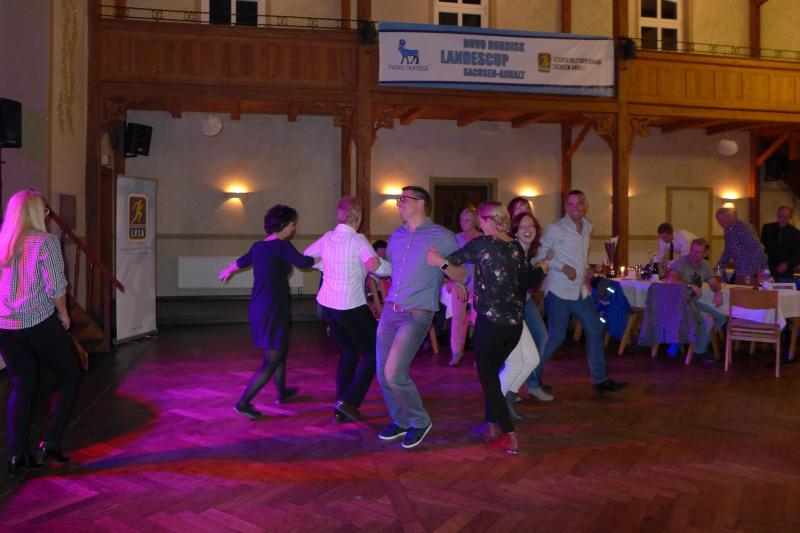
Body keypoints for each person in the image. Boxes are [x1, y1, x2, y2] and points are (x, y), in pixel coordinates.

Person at [428, 201, 531, 454]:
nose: (479, 224)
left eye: (482, 220)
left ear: (491, 220)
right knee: (492, 375)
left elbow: (452, 261)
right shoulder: (516, 247)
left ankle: (509, 434)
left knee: (489, 379)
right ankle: (490, 426)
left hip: (490, 325)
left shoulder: (482, 244)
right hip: (514, 326)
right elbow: (524, 283)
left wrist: (438, 261)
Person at [0, 190, 83, 478]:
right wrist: (64, 314)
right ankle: (51, 443)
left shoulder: (3, 241)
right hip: (37, 321)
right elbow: (56, 286)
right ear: (38, 212)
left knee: (22, 384)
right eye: (45, 210)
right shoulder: (45, 241)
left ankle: (17, 456)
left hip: (5, 326)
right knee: (71, 373)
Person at [375, 186, 458, 450]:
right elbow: (393, 269)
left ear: (421, 203)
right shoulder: (397, 236)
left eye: (404, 199)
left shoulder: (443, 237)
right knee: (382, 373)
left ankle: (420, 421)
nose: (399, 203)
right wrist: (376, 267)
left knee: (394, 373)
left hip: (417, 314)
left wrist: (442, 264)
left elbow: (464, 273)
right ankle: (400, 421)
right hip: (390, 311)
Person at [219, 204, 315, 419]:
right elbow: (304, 262)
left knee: (279, 349)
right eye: (292, 224)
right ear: (283, 225)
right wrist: (324, 256)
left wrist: (228, 270)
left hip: (260, 306)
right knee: (272, 358)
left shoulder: (258, 247)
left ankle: (282, 392)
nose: (294, 228)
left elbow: (241, 262)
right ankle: (243, 403)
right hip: (273, 308)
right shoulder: (283, 246)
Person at [303, 197, 390, 423]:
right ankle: (349, 402)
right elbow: (378, 269)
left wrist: (327, 264)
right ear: (358, 218)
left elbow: (306, 257)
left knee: (349, 353)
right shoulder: (358, 240)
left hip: (329, 307)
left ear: (339, 215)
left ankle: (341, 404)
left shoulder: (327, 238)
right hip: (351, 306)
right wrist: (391, 266)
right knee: (375, 352)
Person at [534, 190, 628, 392]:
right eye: (570, 204)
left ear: (586, 206)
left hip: (579, 291)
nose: (574, 208)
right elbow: (538, 257)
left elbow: (579, 256)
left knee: (595, 329)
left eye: (579, 204)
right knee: (557, 337)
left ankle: (600, 380)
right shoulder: (555, 229)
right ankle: (532, 377)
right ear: (565, 207)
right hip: (558, 291)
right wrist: (562, 267)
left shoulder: (587, 227)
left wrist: (587, 269)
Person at [509, 212, 553, 402]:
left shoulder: (526, 252)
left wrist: (540, 268)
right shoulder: (514, 251)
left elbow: (529, 286)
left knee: (541, 337)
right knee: (514, 350)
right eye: (522, 226)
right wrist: (540, 269)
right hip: (509, 307)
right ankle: (509, 390)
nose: (527, 230)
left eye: (531, 226)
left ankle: (530, 385)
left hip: (523, 301)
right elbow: (525, 282)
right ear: (515, 231)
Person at [670, 239, 726, 362]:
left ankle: (699, 343)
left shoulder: (705, 265)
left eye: (698, 252)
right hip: (678, 303)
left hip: (693, 302)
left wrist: (718, 292)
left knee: (721, 318)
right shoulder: (681, 262)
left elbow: (713, 283)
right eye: (692, 250)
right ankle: (699, 350)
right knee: (707, 319)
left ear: (705, 254)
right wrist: (690, 285)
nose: (693, 254)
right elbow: (670, 280)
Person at [446, 207, 481, 366]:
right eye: (461, 219)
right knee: (457, 319)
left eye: (467, 219)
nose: (463, 222)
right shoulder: (455, 238)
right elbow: (448, 261)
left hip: (478, 283)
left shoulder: (482, 238)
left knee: (478, 319)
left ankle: (480, 354)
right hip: (459, 282)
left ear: (475, 221)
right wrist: (451, 279)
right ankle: (456, 352)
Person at [714, 207, 768, 285]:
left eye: (720, 220)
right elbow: (727, 251)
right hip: (740, 271)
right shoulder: (727, 230)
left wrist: (761, 270)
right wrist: (719, 267)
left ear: (728, 217)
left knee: (747, 292)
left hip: (751, 272)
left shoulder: (742, 227)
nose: (719, 224)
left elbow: (757, 247)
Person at [761, 206, 800, 283]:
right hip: (768, 270)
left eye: (785, 218)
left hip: (785, 273)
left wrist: (787, 264)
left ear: (790, 217)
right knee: (766, 290)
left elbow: (798, 256)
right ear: (777, 214)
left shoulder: (796, 234)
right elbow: (762, 248)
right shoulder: (767, 228)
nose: (781, 220)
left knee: (783, 290)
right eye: (780, 217)